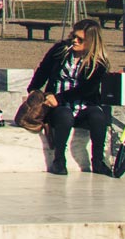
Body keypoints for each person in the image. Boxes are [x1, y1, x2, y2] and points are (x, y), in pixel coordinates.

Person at [28, 18, 116, 176]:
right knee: (64, 115)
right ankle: (59, 160)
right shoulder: (61, 50)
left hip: (82, 104)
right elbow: (43, 70)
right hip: (58, 106)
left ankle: (98, 162)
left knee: (98, 116)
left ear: (91, 41)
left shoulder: (99, 62)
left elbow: (87, 89)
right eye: (73, 36)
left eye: (80, 39)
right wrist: (33, 90)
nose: (74, 41)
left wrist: (60, 98)